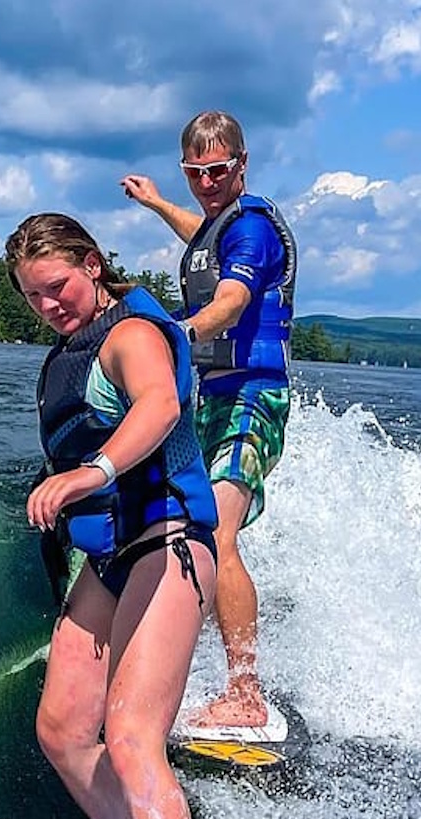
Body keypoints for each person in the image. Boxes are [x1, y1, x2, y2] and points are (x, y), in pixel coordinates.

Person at [5, 212, 220, 819]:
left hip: (169, 541)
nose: (49, 306)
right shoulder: (72, 349)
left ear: (93, 265)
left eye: (58, 286)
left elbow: (158, 406)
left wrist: (89, 473)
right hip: (111, 555)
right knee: (63, 730)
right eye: (33, 297)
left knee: (131, 737)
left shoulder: (130, 334)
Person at [121, 110, 297, 730]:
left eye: (219, 170)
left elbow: (231, 300)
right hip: (214, 399)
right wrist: (157, 204)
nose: (207, 183)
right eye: (195, 173)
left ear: (242, 164)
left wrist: (176, 334)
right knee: (184, 526)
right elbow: (200, 236)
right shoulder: (220, 225)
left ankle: (245, 692)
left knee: (218, 534)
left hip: (254, 397)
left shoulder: (252, 231)